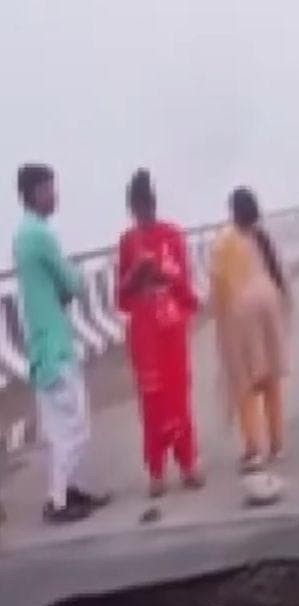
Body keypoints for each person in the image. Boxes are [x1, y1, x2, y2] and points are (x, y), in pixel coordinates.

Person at [11, 163, 109, 524]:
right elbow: (72, 284)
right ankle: (58, 500)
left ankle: (69, 489)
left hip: (40, 346)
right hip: (54, 345)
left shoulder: (22, 235)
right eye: (51, 189)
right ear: (35, 192)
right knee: (75, 425)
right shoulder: (40, 235)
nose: (56, 196)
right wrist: (75, 278)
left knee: (59, 427)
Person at [116, 169, 203, 497]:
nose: (143, 214)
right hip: (144, 331)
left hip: (171, 328)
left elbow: (184, 284)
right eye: (137, 208)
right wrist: (137, 276)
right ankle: (156, 471)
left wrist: (165, 275)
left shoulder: (173, 235)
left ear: (153, 203)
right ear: (131, 208)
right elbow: (121, 297)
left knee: (179, 394)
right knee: (151, 401)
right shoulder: (127, 242)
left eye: (146, 206)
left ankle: (188, 463)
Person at [209, 187, 290, 472]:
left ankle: (254, 449)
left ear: (233, 211)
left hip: (242, 313)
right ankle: (277, 444)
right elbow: (281, 278)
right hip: (269, 304)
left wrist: (220, 324)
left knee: (244, 383)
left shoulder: (224, 241)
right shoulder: (264, 238)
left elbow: (219, 286)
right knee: (271, 382)